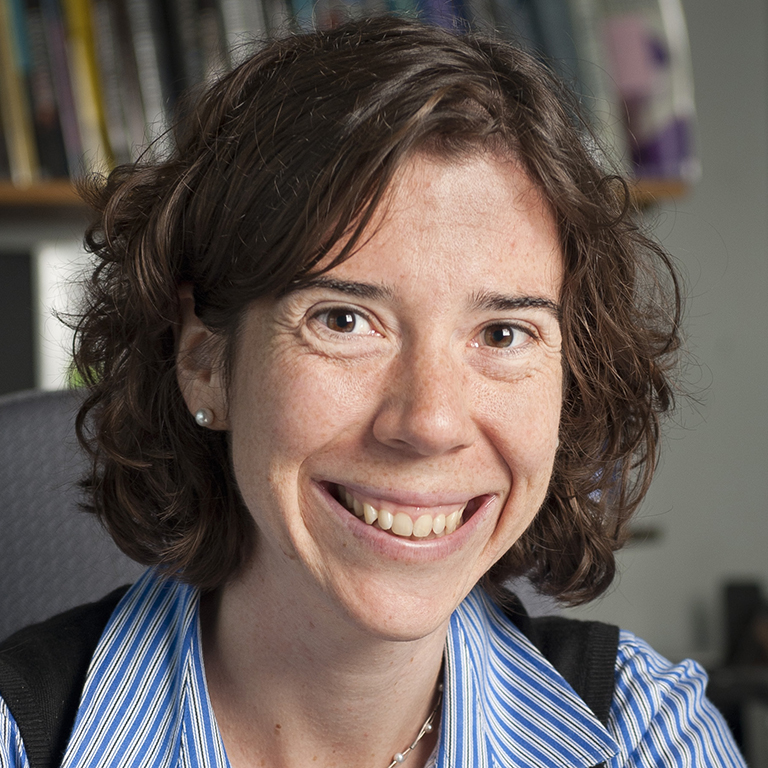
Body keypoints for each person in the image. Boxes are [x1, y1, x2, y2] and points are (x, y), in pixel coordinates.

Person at [0, 15, 746, 768]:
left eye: (502, 333)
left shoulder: (647, 732)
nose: (430, 421)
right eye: (344, 320)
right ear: (203, 359)